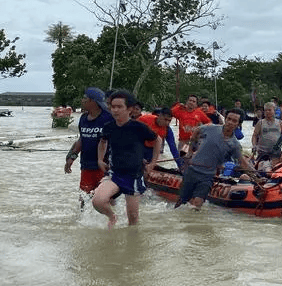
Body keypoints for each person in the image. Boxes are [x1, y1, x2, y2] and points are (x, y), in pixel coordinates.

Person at [92, 90, 162, 230]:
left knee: (133, 219)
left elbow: (158, 140)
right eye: (113, 107)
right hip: (114, 174)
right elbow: (102, 142)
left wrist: (153, 163)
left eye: (119, 107)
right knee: (98, 201)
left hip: (134, 176)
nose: (115, 110)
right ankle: (112, 217)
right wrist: (100, 159)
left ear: (129, 109)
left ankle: (133, 247)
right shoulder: (109, 127)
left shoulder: (138, 127)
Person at [176, 109, 254, 210]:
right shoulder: (211, 128)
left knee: (198, 202)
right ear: (225, 119)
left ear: (238, 124)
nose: (230, 122)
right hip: (192, 170)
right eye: (229, 119)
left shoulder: (235, 145)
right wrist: (191, 151)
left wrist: (256, 178)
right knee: (181, 202)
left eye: (234, 121)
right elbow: (196, 130)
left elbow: (243, 163)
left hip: (207, 176)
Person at [64, 87, 114, 208]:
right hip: (86, 165)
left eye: (85, 98)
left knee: (107, 199)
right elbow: (82, 139)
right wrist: (71, 157)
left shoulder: (109, 118)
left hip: (105, 165)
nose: (82, 100)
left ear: (93, 101)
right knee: (84, 198)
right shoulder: (83, 118)